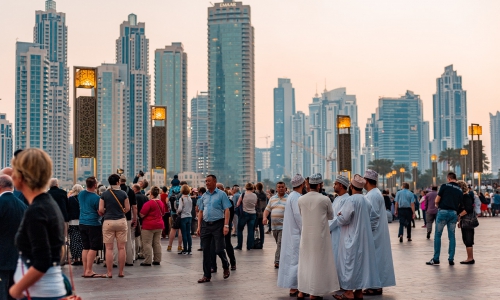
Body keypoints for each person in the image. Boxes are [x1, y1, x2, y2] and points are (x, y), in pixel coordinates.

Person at [9, 148, 67, 299]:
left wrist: (15, 290)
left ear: (21, 176)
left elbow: (42, 261)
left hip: (40, 294)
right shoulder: (48, 204)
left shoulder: (37, 210)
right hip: (46, 290)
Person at [332, 174, 380, 300]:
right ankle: (358, 292)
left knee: (349, 264)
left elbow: (343, 220)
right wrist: (368, 230)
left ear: (351, 187)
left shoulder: (351, 200)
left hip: (350, 237)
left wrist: (339, 214)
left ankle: (348, 292)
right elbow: (375, 217)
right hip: (363, 239)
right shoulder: (366, 200)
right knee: (360, 265)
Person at [297, 173, 338, 299]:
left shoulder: (300, 199)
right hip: (320, 237)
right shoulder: (325, 199)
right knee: (319, 263)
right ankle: (315, 293)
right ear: (320, 185)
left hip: (306, 237)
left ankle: (302, 290)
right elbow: (331, 216)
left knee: (306, 262)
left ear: (309, 185)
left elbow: (301, 214)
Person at [363, 170, 396, 296]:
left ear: (367, 180)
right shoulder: (374, 193)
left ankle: (375, 286)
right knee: (376, 259)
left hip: (374, 233)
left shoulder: (373, 195)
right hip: (376, 233)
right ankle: (375, 285)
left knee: (375, 259)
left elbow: (374, 216)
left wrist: (368, 232)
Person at [196, 175, 232, 283]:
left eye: (209, 181)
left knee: (219, 249)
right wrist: (199, 226)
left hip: (218, 224)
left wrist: (226, 226)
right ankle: (206, 275)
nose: (207, 183)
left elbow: (227, 210)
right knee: (206, 250)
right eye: (206, 181)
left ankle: (225, 265)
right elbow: (201, 212)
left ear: (215, 182)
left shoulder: (222, 194)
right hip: (206, 225)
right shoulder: (204, 196)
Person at [426, 172, 463, 266]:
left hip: (443, 211)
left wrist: (437, 205)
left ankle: (436, 259)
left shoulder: (444, 186)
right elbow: (460, 204)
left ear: (449, 178)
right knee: (452, 236)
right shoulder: (459, 189)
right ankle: (451, 258)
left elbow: (437, 199)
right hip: (453, 213)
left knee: (438, 235)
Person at [277, 174, 305, 298]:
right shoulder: (297, 198)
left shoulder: (292, 196)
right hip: (296, 234)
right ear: (302, 184)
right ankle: (295, 287)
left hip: (292, 233)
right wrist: (306, 230)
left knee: (293, 260)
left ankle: (295, 286)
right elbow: (299, 217)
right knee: (296, 260)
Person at [0, 175, 27, 300]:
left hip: (2, 255)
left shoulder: (1, 203)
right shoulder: (22, 205)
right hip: (18, 256)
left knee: (2, 291)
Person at [99, 174, 130, 278]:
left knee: (109, 248)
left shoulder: (105, 194)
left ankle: (109, 272)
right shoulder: (123, 193)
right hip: (121, 221)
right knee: (121, 248)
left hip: (108, 222)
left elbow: (100, 209)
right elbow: (128, 208)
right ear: (118, 182)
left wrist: (107, 212)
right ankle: (121, 272)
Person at [328, 175, 350, 297]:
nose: (334, 186)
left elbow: (339, 218)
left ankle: (343, 285)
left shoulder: (347, 199)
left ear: (341, 185)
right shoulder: (337, 199)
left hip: (341, 233)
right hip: (333, 234)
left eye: (335, 183)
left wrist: (327, 227)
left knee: (341, 259)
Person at [79, 176, 104, 278]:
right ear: (95, 185)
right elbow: (100, 212)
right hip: (93, 224)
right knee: (93, 248)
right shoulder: (97, 198)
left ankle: (85, 270)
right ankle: (89, 270)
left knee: (86, 247)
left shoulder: (81, 194)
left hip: (82, 223)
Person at [263, 182, 287, 268]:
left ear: (285, 188)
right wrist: (264, 217)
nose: (280, 188)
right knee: (279, 244)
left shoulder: (288, 199)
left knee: (280, 243)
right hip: (274, 227)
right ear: (276, 189)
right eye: (279, 187)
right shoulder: (272, 199)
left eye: (282, 187)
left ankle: (277, 261)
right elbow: (267, 210)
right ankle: (284, 258)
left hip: (284, 226)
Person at [139, 186, 165, 266]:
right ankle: (157, 259)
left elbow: (142, 214)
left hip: (148, 226)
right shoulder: (161, 203)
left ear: (151, 193)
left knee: (147, 243)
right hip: (159, 224)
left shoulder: (149, 203)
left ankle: (148, 260)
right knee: (157, 243)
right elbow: (163, 213)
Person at [456, 180, 475, 264]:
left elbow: (468, 209)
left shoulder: (466, 196)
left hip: (467, 220)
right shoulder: (463, 196)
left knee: (468, 239)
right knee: (466, 238)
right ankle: (469, 257)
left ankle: (470, 258)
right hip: (465, 220)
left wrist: (459, 216)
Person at [119, 175, 137, 266]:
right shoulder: (130, 191)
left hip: (117, 217)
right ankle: (129, 260)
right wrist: (135, 218)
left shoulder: (115, 191)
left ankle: (116, 260)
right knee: (128, 239)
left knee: (116, 241)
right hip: (128, 217)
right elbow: (134, 207)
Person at [235, 183, 258, 250]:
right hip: (253, 214)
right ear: (252, 188)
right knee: (251, 230)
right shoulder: (255, 195)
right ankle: (249, 246)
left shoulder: (243, 194)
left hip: (244, 214)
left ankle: (239, 245)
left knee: (239, 229)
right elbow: (255, 204)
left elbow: (238, 204)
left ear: (246, 187)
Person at [67, 184, 84, 266]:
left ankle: (75, 259)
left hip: (72, 221)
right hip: (82, 221)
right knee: (82, 241)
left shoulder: (70, 199)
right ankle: (82, 259)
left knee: (73, 241)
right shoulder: (82, 199)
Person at [177, 185, 193, 255]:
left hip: (183, 217)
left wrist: (178, 211)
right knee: (188, 234)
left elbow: (180, 208)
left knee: (184, 234)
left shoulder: (182, 199)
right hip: (189, 216)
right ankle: (189, 249)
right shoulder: (190, 198)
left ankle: (185, 249)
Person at [167, 184, 183, 252]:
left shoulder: (171, 189)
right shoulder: (182, 189)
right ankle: (179, 246)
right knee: (180, 230)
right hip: (181, 213)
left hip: (173, 213)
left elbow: (167, 201)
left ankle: (169, 246)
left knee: (173, 229)